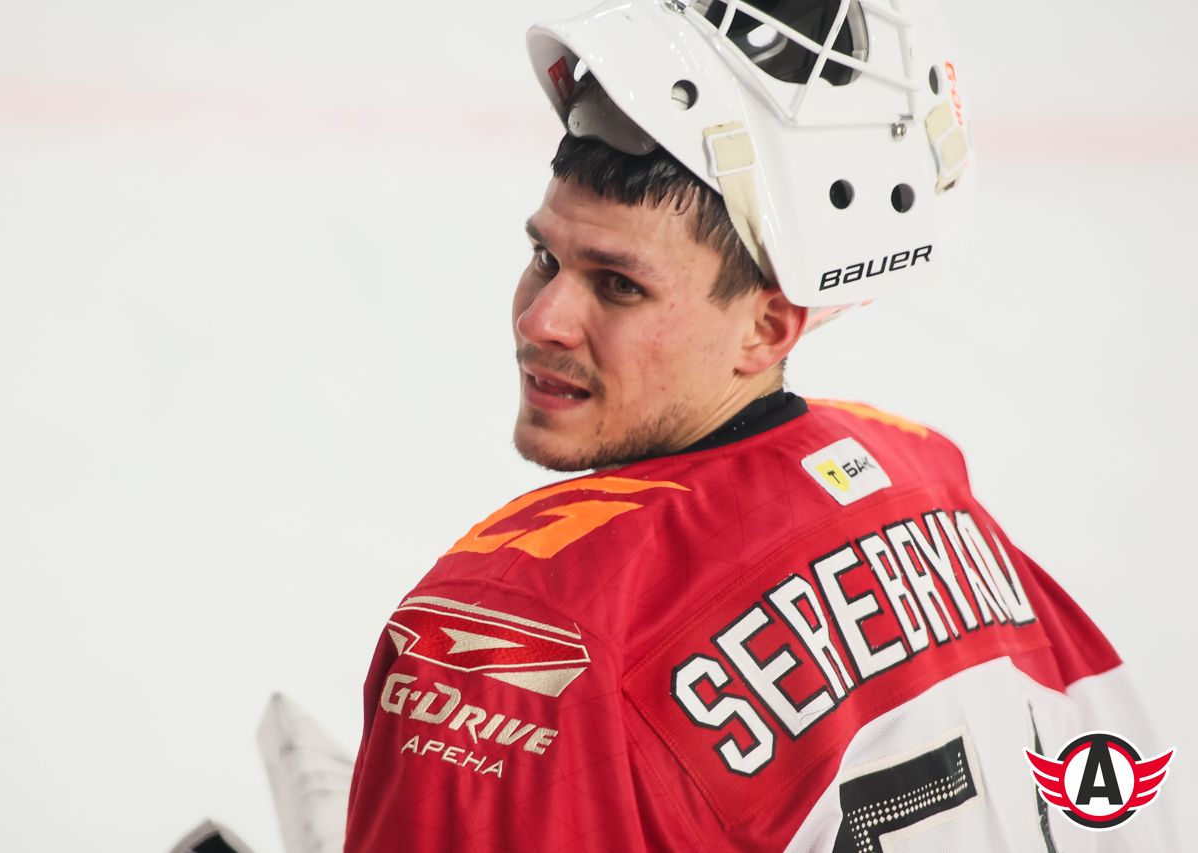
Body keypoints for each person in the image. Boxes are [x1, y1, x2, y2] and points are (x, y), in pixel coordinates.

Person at [344, 0, 1177, 850]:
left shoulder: (518, 635)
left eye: (619, 285)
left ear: (769, 326)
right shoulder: (925, 482)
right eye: (545, 259)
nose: (541, 320)